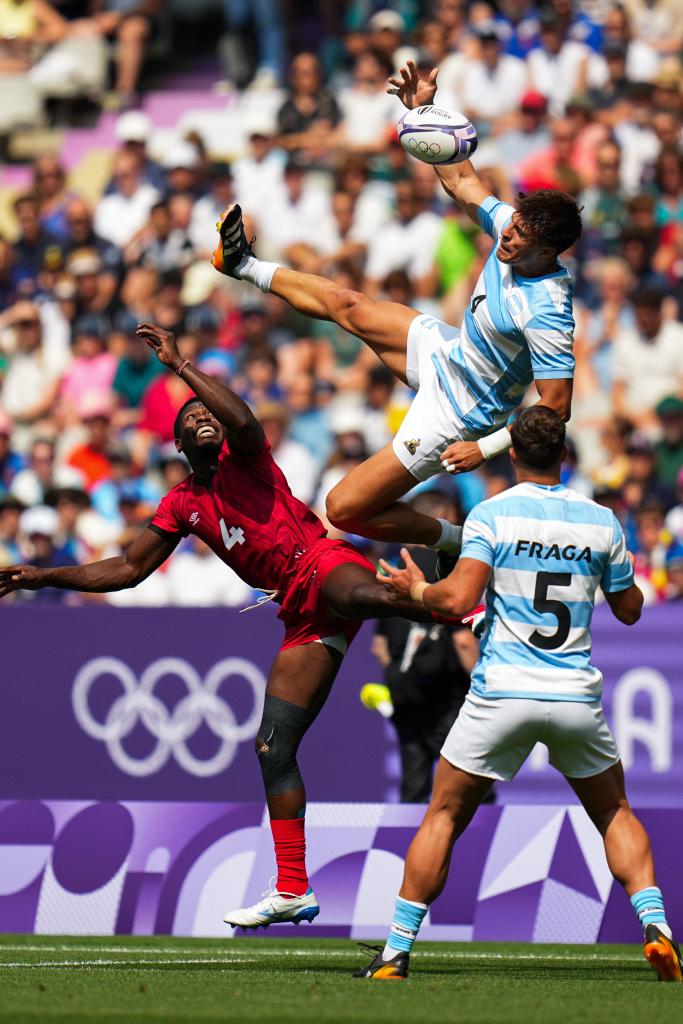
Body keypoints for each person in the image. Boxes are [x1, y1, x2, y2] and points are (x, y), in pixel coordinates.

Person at [0, 320, 472, 932]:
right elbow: (127, 569)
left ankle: (460, 606)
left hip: (320, 561)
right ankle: (293, 887)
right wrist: (43, 575)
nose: (204, 417)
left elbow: (245, 422)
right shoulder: (181, 504)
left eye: (208, 414)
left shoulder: (244, 455)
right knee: (273, 746)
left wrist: (181, 366)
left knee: (356, 593)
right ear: (177, 444)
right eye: (191, 418)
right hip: (298, 609)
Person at [211, 59, 581, 578]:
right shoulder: (510, 228)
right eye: (511, 224)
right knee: (350, 305)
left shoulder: (549, 311)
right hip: (448, 352)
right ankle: (242, 264)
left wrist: (485, 448)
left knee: (343, 508)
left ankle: (455, 538)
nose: (506, 235)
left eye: (520, 236)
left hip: (461, 414)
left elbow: (557, 406)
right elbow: (461, 178)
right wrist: (425, 110)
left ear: (548, 252)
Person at [353, 405, 681, 983]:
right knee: (613, 811)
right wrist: (613, 572)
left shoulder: (492, 513)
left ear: (511, 454)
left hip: (502, 693)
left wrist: (416, 589)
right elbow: (630, 610)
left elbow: (457, 601)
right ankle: (656, 927)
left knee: (444, 814)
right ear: (565, 455)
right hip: (573, 695)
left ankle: (396, 953)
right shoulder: (602, 520)